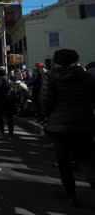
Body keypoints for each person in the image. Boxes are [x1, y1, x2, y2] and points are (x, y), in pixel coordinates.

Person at [41, 49, 95, 206]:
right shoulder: (87, 76)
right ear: (76, 60)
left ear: (56, 61)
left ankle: (71, 194)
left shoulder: (50, 76)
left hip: (59, 126)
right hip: (84, 123)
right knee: (86, 159)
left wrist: (49, 115)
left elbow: (46, 100)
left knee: (64, 162)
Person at [0, 67, 17, 136]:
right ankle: (11, 132)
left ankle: (2, 131)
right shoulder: (10, 81)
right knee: (10, 118)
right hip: (9, 102)